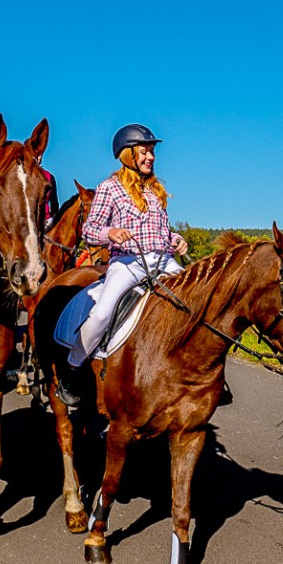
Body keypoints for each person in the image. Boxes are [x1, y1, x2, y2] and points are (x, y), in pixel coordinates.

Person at [54, 123, 188, 405]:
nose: (150, 157)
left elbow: (161, 232)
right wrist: (110, 233)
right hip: (128, 262)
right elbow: (90, 230)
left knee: (197, 302)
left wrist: (176, 239)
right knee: (102, 313)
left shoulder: (156, 192)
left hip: (163, 260)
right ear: (128, 155)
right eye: (144, 152)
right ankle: (72, 367)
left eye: (152, 152)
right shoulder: (109, 188)